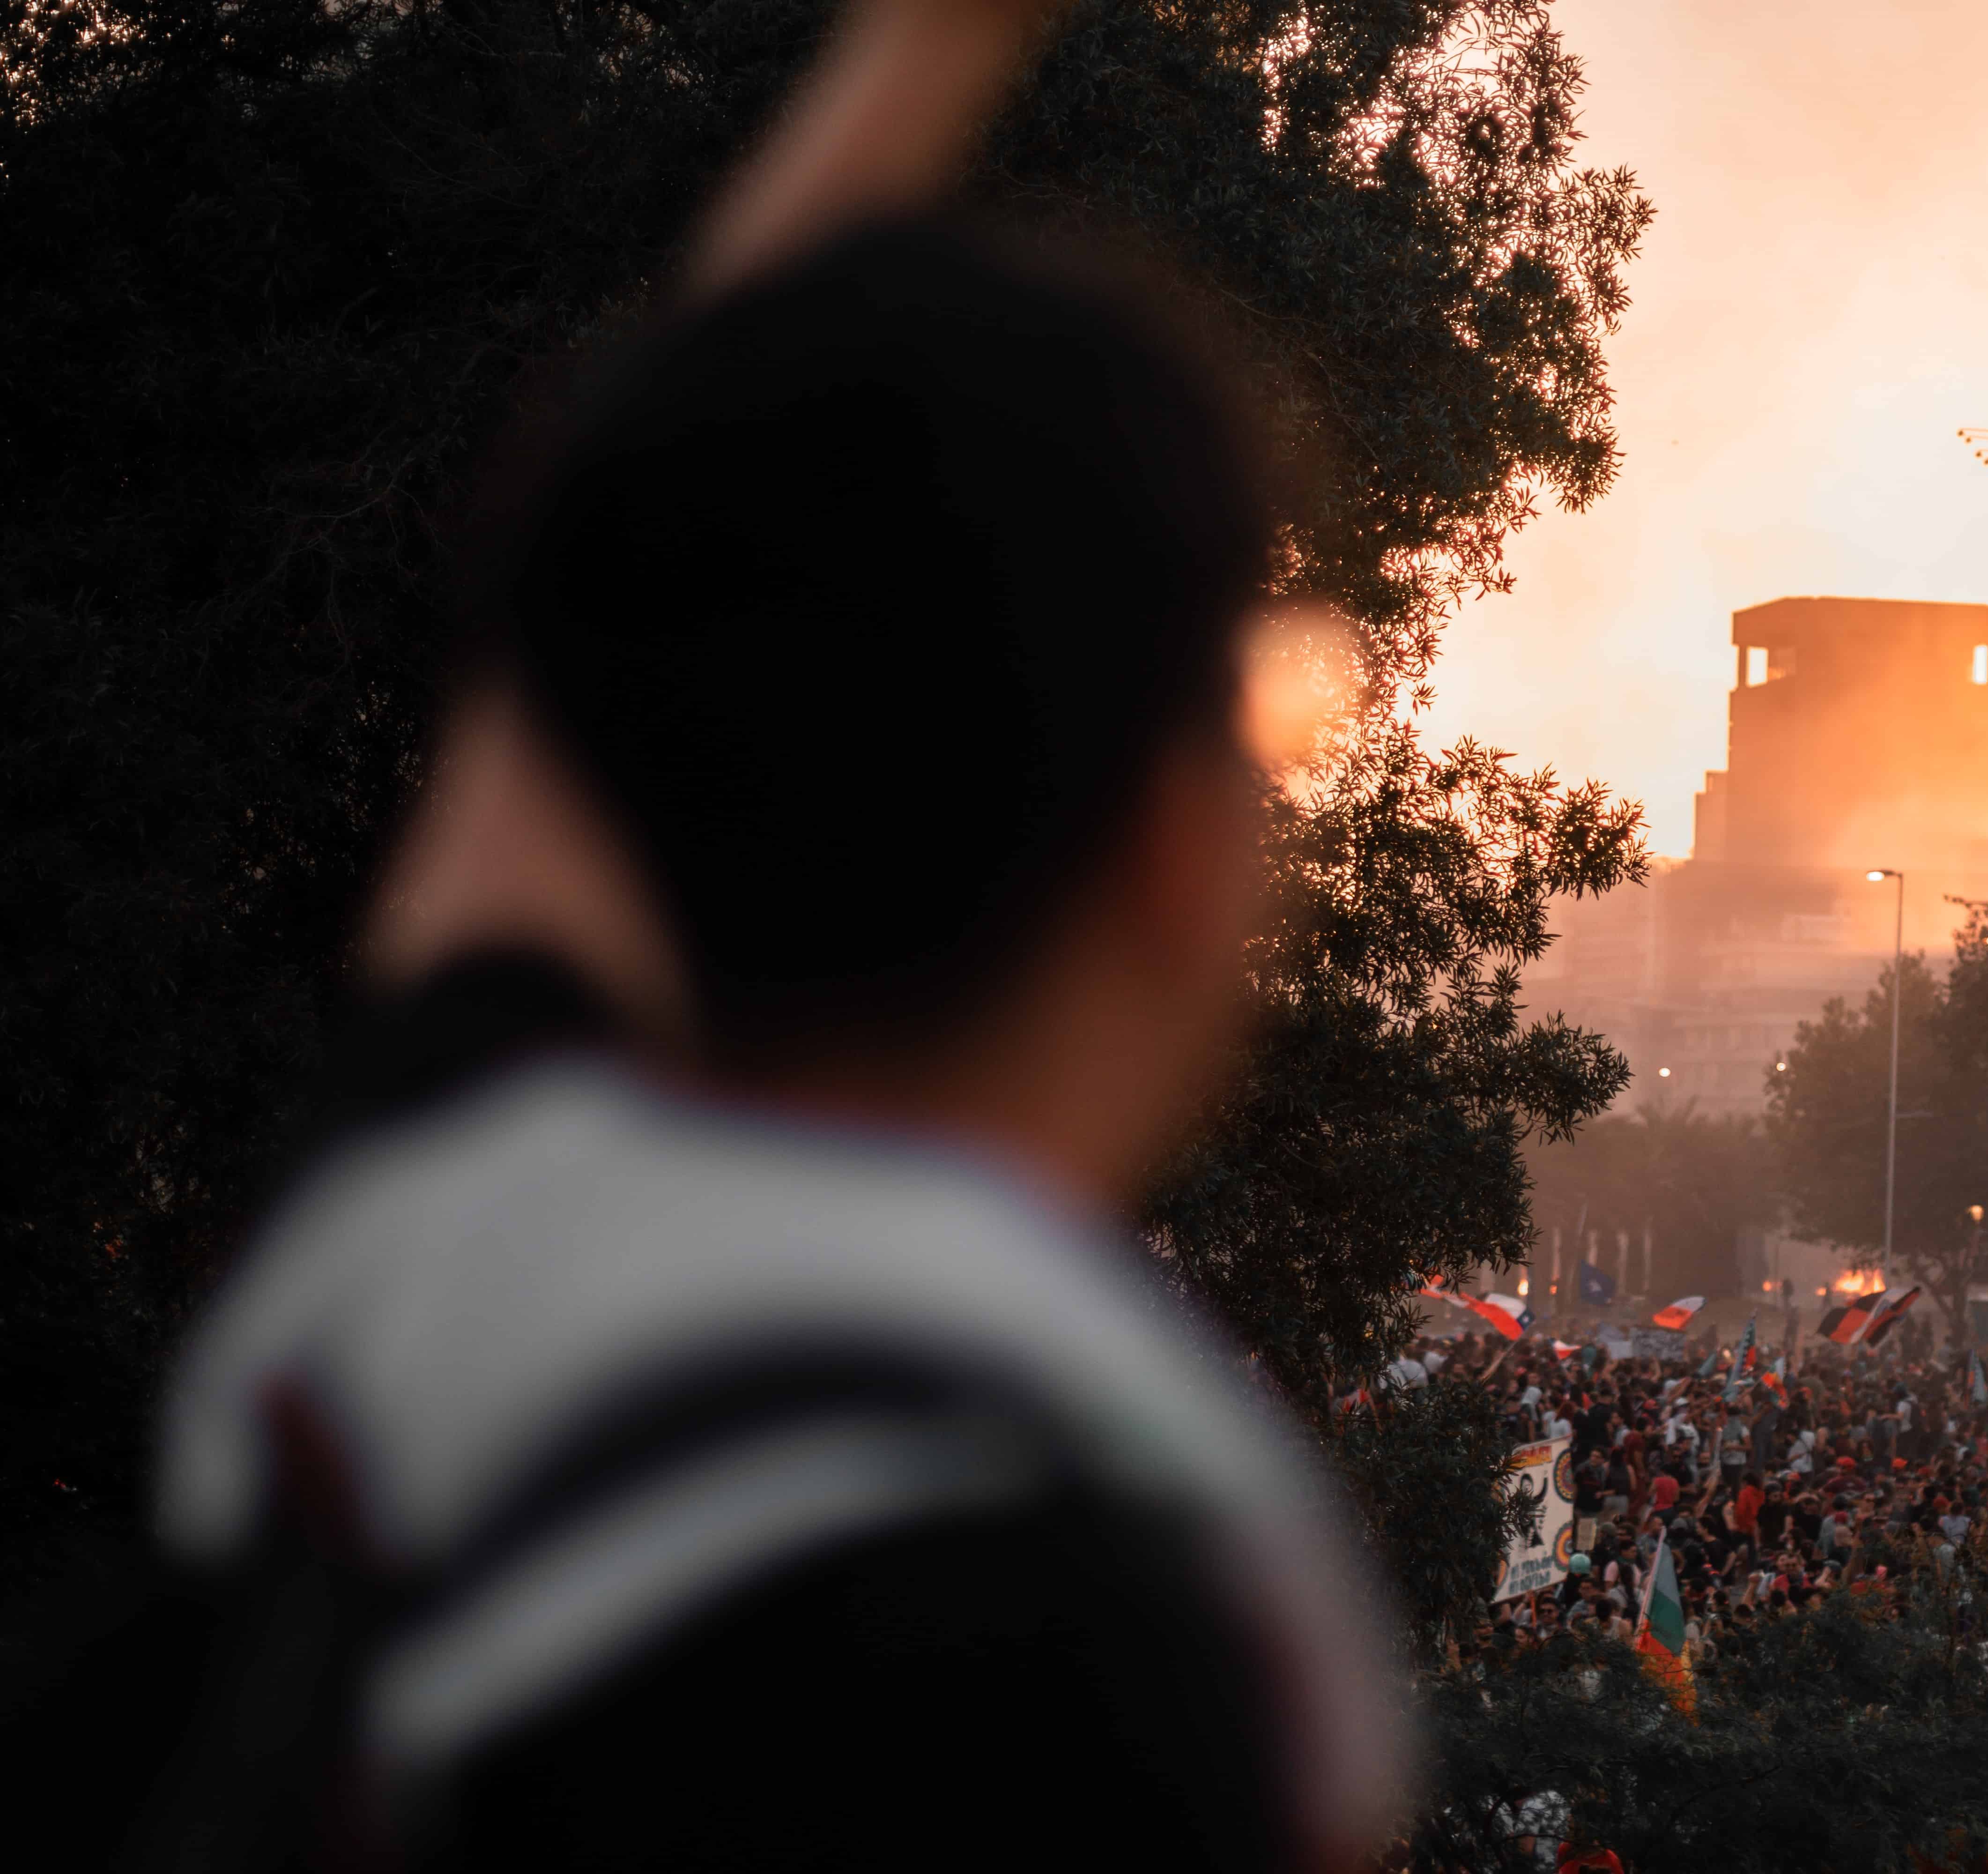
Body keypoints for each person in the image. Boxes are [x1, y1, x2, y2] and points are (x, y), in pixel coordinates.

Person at [35, 1, 1414, 1867]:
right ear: (1172, 852)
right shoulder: (1105, 1605)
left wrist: (931, 48)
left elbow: (625, 637)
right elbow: (619, 643)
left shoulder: (408, 1259)